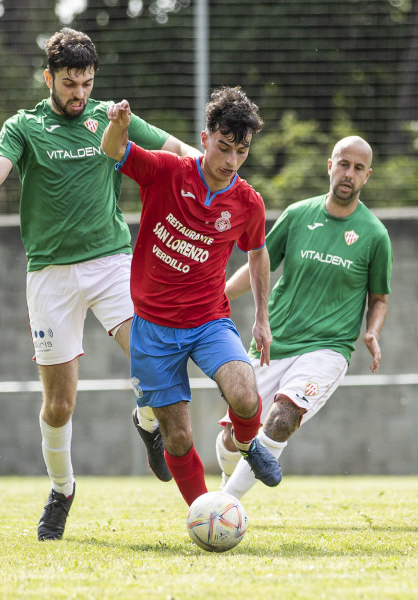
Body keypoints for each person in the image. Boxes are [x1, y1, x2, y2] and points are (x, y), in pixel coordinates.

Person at [0, 28, 200, 540]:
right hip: (50, 276)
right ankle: (62, 490)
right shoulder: (25, 125)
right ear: (49, 79)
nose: (79, 93)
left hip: (110, 265)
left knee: (155, 356)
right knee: (59, 405)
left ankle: (147, 422)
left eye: (86, 82)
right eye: (69, 83)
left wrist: (216, 168)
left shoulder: (111, 117)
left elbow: (174, 148)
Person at [100, 86, 282, 507]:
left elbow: (257, 253)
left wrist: (261, 318)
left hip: (208, 321)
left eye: (242, 152)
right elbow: (114, 150)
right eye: (223, 148)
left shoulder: (247, 203)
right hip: (153, 328)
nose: (231, 162)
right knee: (178, 438)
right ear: (204, 139)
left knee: (245, 394)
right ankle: (204, 514)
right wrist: (116, 126)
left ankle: (248, 443)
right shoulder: (167, 171)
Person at [214, 136, 393, 500]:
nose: (349, 174)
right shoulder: (298, 215)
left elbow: (379, 299)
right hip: (274, 341)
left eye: (358, 169)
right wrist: (217, 295)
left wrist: (372, 332)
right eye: (344, 164)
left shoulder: (375, 235)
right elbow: (258, 265)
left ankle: (225, 505)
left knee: (284, 417)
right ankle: (226, 483)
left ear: (367, 176)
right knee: (234, 437)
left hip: (327, 350)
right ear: (330, 165)